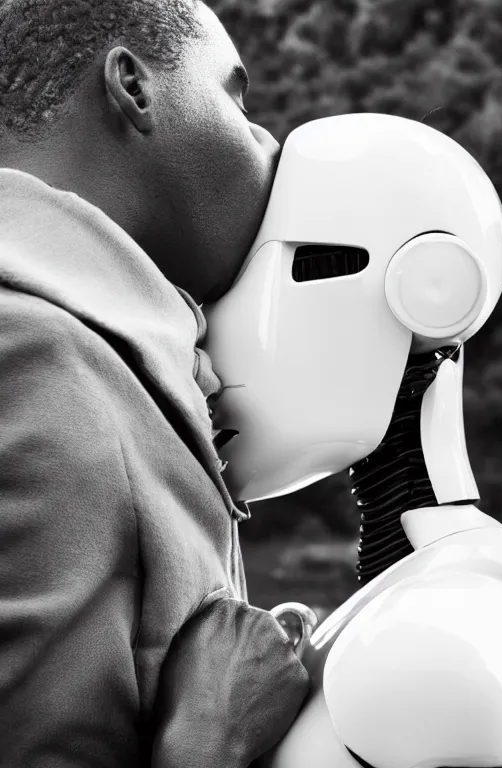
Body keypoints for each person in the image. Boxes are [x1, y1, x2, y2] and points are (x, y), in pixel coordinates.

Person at [0, 0, 310, 765]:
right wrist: (210, 734)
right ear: (134, 87)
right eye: (237, 98)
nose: (266, 142)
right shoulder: (33, 352)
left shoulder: (81, 343)